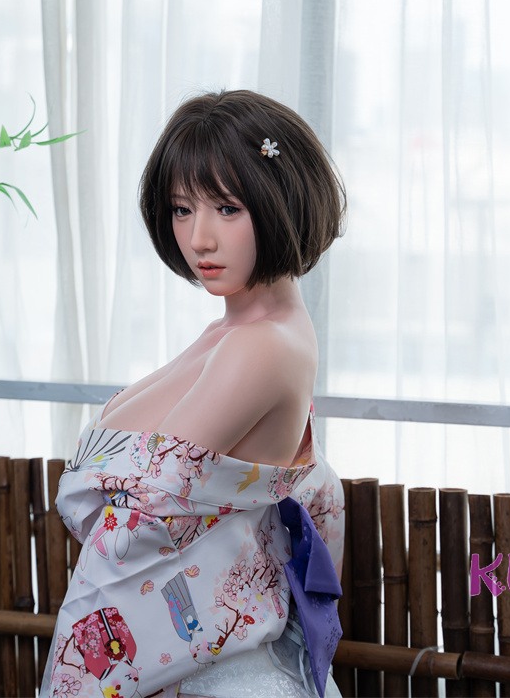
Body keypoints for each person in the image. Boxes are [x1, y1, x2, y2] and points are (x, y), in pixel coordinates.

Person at [41, 90, 348, 698]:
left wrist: (99, 476)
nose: (200, 238)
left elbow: (135, 518)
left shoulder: (261, 347)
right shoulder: (234, 335)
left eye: (227, 208)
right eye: (182, 209)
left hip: (216, 678)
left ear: (283, 199)